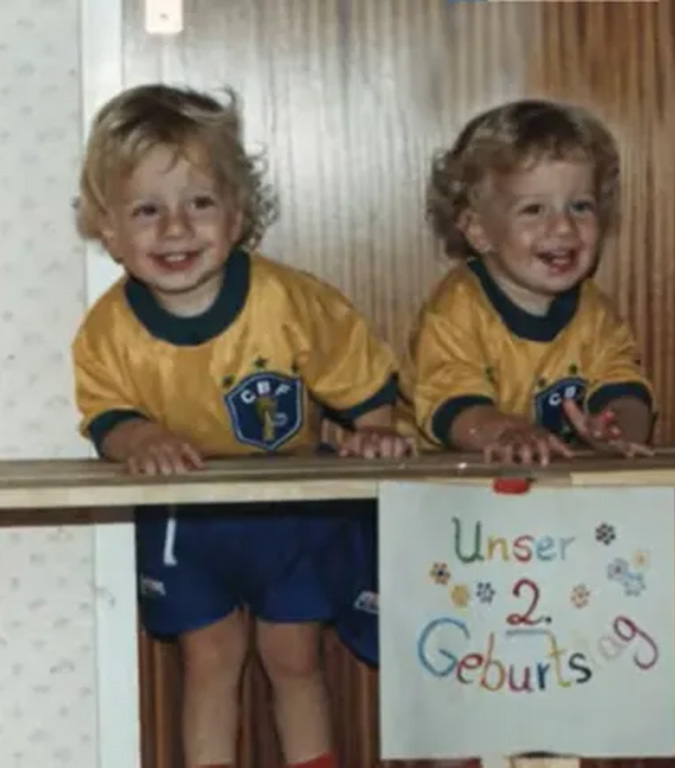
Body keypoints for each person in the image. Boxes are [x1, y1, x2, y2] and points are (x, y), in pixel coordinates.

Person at [71, 83, 410, 768]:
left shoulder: (290, 300)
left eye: (199, 203)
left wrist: (376, 428)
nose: (175, 229)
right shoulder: (109, 329)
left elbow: (362, 378)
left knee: (293, 656)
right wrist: (141, 439)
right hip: (188, 519)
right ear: (108, 230)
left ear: (237, 214)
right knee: (210, 656)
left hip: (293, 509)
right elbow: (105, 414)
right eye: (147, 210)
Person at [404, 99, 655, 463]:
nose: (564, 227)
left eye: (581, 206)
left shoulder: (595, 313)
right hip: (456, 490)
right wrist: (504, 431)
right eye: (534, 210)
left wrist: (617, 428)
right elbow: (450, 402)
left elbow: (624, 384)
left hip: (549, 487)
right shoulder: (456, 312)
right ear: (478, 230)